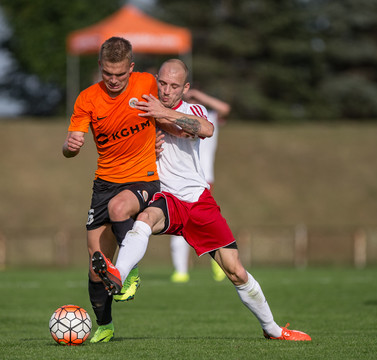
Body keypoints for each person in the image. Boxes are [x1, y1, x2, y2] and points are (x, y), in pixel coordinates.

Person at [91, 58, 312, 342]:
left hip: (198, 201)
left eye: (174, 86)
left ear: (185, 89)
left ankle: (272, 329)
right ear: (156, 80)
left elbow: (205, 129)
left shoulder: (190, 109)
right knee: (144, 219)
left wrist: (162, 114)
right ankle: (119, 276)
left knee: (236, 271)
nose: (167, 90)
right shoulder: (142, 108)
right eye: (162, 83)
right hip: (166, 198)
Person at [62, 36, 162, 343]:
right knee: (96, 267)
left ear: (131, 68)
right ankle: (104, 326)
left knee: (121, 207)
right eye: (108, 74)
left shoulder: (148, 84)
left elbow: (174, 107)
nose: (115, 80)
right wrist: (69, 146)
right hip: (104, 183)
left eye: (121, 74)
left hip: (142, 178)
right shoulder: (87, 99)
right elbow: (71, 147)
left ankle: (129, 272)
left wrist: (167, 136)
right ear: (100, 67)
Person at [170, 89, 230, 283]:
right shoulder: (177, 116)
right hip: (178, 176)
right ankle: (181, 271)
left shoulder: (208, 116)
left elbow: (225, 108)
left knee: (203, 222)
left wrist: (198, 96)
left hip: (203, 177)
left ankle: (219, 260)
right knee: (180, 223)